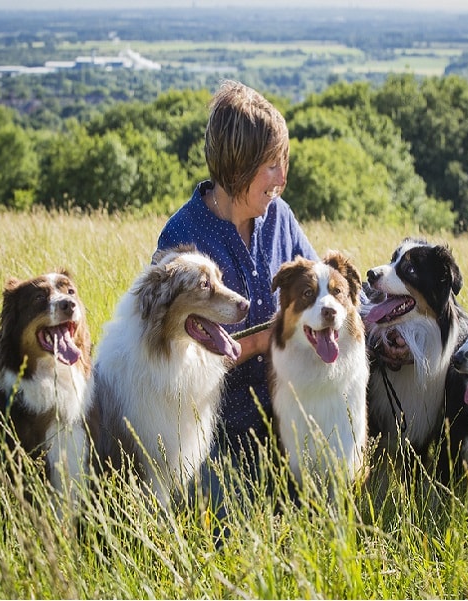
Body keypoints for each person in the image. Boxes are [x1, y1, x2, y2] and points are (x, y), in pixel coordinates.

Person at [152, 80, 318, 507]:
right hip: (215, 430)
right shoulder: (182, 239)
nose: (283, 178)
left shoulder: (280, 216)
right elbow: (167, 358)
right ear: (236, 167)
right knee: (232, 523)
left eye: (283, 163)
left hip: (293, 413)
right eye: (271, 166)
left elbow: (320, 289)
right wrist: (260, 343)